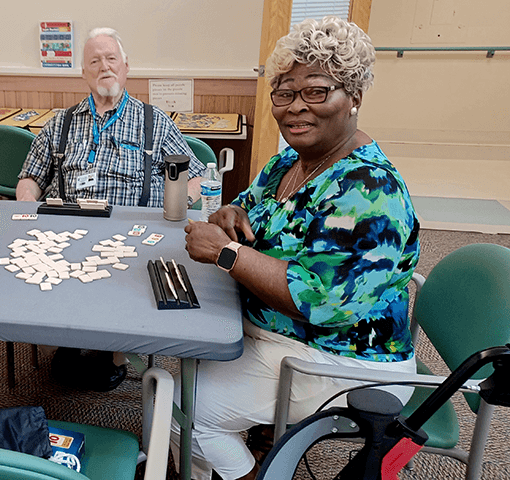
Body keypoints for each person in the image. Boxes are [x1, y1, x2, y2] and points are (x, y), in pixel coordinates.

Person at [177, 17, 420, 480]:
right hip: (275, 332)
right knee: (185, 355)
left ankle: (247, 475)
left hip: (342, 358)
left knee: (181, 406)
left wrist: (228, 255)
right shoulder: (291, 160)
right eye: (284, 93)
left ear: (354, 98)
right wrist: (229, 211)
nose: (295, 108)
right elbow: (245, 206)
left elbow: (320, 304)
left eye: (315, 92)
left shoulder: (369, 190)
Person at [16, 27, 206, 391]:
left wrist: (174, 209)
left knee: (121, 291)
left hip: (134, 237)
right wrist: (26, 204)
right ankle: (70, 337)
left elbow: (195, 179)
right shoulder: (60, 123)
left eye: (111, 59)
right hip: (67, 231)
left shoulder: (155, 123)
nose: (104, 67)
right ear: (84, 73)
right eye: (94, 61)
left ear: (126, 67)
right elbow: (30, 177)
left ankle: (117, 351)